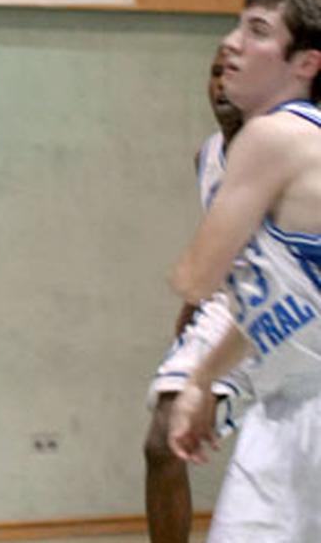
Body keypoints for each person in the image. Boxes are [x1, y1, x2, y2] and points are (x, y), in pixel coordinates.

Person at [169, 0, 321, 541]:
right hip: (288, 404)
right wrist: (204, 380)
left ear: (306, 63)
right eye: (236, 25)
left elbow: (194, 277)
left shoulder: (275, 138)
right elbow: (273, 301)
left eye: (257, 32)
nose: (231, 43)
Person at [142, 47, 250, 543]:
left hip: (301, 313)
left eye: (235, 72)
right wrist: (194, 300)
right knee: (164, 440)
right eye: (214, 73)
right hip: (231, 309)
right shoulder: (207, 155)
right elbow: (219, 234)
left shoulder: (303, 144)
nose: (222, 85)